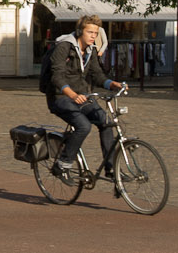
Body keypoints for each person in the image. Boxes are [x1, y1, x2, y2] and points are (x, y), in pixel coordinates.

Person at [44, 15, 127, 177]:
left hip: (82, 95)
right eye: (90, 32)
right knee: (83, 126)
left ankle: (110, 169)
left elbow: (97, 75)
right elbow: (57, 77)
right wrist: (73, 95)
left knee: (106, 121)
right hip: (60, 97)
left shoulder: (91, 50)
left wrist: (113, 84)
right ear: (80, 31)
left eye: (95, 33)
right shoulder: (64, 47)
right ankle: (63, 163)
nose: (93, 36)